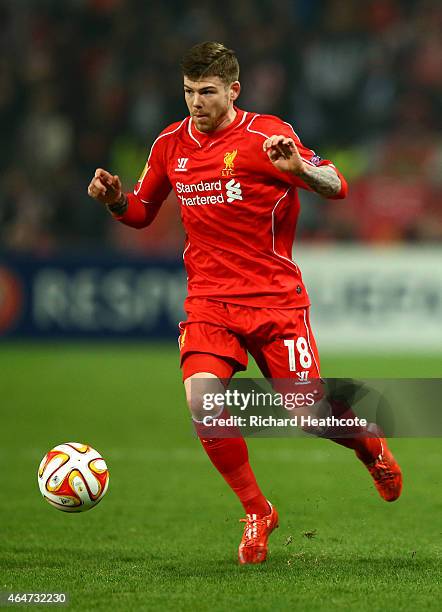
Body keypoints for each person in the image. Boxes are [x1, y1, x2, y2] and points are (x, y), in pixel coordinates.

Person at [87, 41, 402, 565]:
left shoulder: (267, 136)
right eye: (188, 92)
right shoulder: (170, 144)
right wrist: (116, 199)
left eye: (207, 92)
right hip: (210, 302)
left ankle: (370, 448)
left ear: (234, 90)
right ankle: (258, 510)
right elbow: (142, 211)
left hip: (275, 302)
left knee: (310, 412)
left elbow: (338, 184)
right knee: (201, 401)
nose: (196, 103)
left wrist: (299, 169)